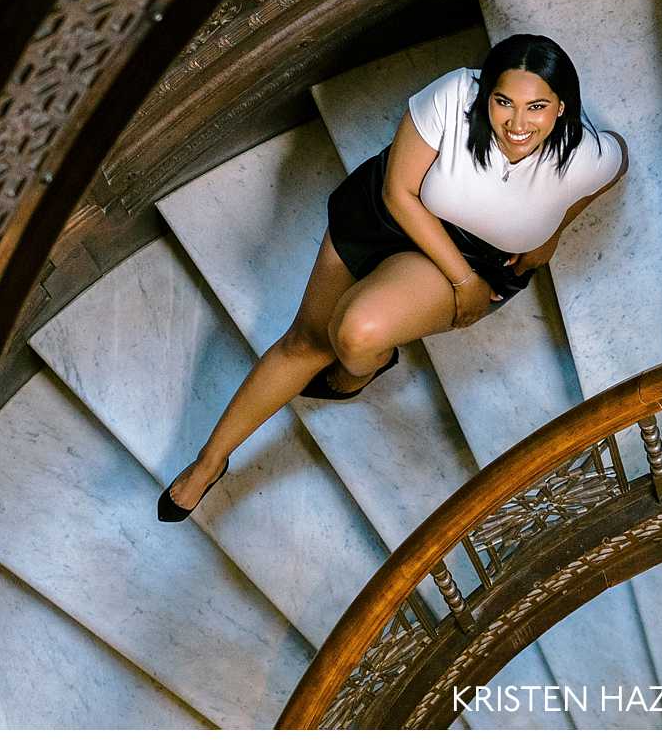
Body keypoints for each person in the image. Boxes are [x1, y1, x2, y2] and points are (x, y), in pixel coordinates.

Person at [158, 33, 628, 520]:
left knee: (357, 333)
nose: (516, 123)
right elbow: (398, 191)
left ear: (561, 109)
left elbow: (617, 163)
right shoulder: (454, 97)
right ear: (485, 92)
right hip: (387, 215)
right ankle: (208, 462)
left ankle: (361, 365)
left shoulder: (583, 156)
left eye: (537, 107)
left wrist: (552, 233)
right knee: (305, 342)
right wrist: (462, 284)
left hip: (469, 255)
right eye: (504, 101)